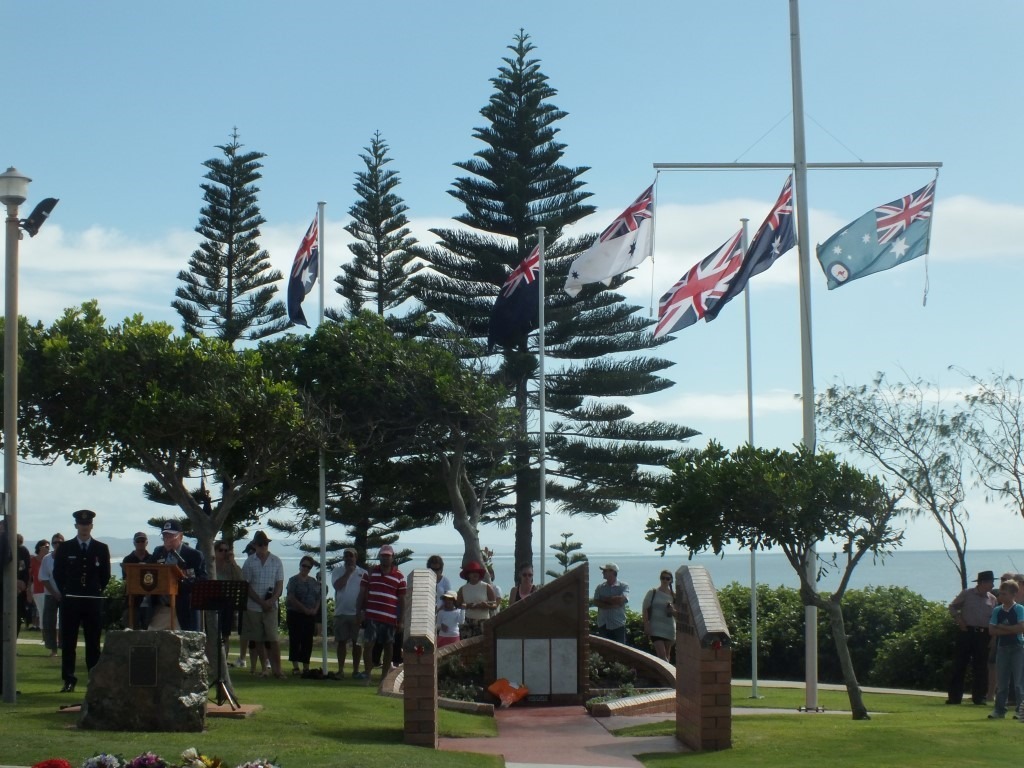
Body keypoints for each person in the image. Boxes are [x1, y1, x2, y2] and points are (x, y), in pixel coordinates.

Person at [52, 509, 111, 693]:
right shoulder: (66, 547)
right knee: (69, 642)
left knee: (93, 642)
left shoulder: (101, 548)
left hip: (92, 600)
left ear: (91, 526)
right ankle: (69, 679)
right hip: (71, 600)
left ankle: (93, 678)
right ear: (76, 525)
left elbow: (105, 575)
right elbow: (58, 573)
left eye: (87, 524)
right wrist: (67, 591)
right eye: (81, 524)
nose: (84, 527)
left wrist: (94, 589)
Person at [357, 544, 407, 684]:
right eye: (383, 555)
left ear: (392, 557)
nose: (385, 558)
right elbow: (362, 593)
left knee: (388, 647)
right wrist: (360, 611)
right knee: (368, 645)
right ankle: (367, 674)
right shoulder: (370, 573)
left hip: (389, 617)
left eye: (388, 556)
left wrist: (401, 620)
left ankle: (384, 677)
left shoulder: (399, 577)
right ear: (379, 556)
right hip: (372, 615)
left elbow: (402, 600)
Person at [947, 570, 997, 705]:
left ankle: (979, 697)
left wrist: (992, 637)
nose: (993, 585)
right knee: (960, 664)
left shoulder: (992, 599)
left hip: (983, 634)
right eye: (991, 582)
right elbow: (952, 607)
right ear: (983, 583)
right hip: (967, 632)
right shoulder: (967, 594)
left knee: (981, 666)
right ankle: (954, 697)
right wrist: (959, 619)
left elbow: (994, 620)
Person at [147, 520, 207, 631]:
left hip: (184, 609)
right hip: (162, 608)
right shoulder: (158, 552)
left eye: (171, 536)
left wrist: (181, 581)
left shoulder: (194, 555)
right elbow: (147, 571)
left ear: (181, 536)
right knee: (153, 641)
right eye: (165, 536)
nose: (167, 540)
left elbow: (202, 581)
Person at [241, 530, 285, 679]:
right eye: (260, 544)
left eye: (265, 543)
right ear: (255, 545)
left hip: (271, 606)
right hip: (254, 606)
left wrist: (271, 601)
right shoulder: (249, 562)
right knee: (258, 639)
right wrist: (260, 602)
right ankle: (264, 669)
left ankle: (277, 670)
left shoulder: (276, 561)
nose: (263, 546)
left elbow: (279, 584)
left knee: (273, 638)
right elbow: (246, 586)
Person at [987, 579, 1024, 719]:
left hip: (1018, 648)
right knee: (1002, 682)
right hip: (1002, 648)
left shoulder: (1019, 609)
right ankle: (999, 711)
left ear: (1013, 594)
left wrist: (1001, 627)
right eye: (1000, 593)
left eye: (1004, 594)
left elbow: (1021, 628)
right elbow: (991, 630)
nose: (1000, 597)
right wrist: (1011, 629)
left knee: (1019, 684)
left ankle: (1020, 712)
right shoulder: (997, 610)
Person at [331, 547, 367, 679]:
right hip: (341, 612)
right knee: (341, 642)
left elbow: (365, 594)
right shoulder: (337, 571)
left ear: (356, 557)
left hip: (356, 614)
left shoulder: (363, 573)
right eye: (346, 556)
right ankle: (340, 670)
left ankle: (356, 670)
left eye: (351, 556)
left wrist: (363, 611)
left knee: (357, 644)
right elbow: (337, 586)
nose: (348, 558)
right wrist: (347, 573)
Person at [285, 555, 321, 676]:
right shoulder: (293, 580)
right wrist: (304, 609)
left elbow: (318, 598)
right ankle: (295, 666)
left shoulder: (313, 582)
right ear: (300, 565)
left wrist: (315, 610)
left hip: (310, 615)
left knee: (307, 641)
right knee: (295, 640)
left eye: (308, 567)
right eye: (304, 566)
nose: (305, 568)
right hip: (295, 614)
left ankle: (306, 666)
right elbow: (291, 597)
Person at [212, 540, 244, 664]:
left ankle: (223, 662)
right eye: (221, 550)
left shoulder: (231, 567)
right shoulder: (211, 565)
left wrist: (233, 562)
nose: (224, 553)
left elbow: (241, 580)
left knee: (225, 634)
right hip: (212, 603)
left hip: (227, 604)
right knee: (212, 634)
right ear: (215, 551)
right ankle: (212, 661)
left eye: (226, 550)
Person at [642, 570, 678, 662]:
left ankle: (665, 676)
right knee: (662, 656)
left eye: (667, 578)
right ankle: (669, 675)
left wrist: (672, 610)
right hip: (656, 628)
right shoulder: (653, 592)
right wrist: (646, 625)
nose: (665, 580)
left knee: (667, 655)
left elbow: (679, 614)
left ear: (671, 580)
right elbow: (645, 609)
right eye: (663, 578)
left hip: (669, 628)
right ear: (660, 579)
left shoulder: (673, 596)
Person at [38, 532, 63, 658]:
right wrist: (54, 593)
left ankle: (64, 647)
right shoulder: (47, 559)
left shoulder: (68, 557)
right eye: (55, 542)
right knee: (49, 622)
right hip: (50, 594)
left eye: (60, 542)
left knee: (65, 623)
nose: (57, 544)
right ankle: (53, 649)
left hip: (65, 595)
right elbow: (43, 578)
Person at [457, 560, 497, 639]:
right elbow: (458, 605)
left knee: (483, 647)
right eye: (472, 572)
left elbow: (494, 605)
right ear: (468, 575)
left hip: (483, 621)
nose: (475, 574)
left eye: (477, 572)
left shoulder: (486, 587)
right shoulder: (463, 589)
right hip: (468, 622)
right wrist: (467, 606)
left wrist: (486, 605)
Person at [593, 562, 629, 644]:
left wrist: (604, 599)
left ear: (612, 572)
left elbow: (622, 599)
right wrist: (612, 604)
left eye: (605, 571)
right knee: (605, 652)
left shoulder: (623, 586)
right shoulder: (600, 587)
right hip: (603, 624)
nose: (602, 572)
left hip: (618, 625)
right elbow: (596, 602)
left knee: (620, 651)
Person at [120, 531, 151, 629]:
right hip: (132, 600)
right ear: (134, 543)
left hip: (149, 600)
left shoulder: (152, 559)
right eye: (138, 541)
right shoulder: (128, 559)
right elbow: (126, 579)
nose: (141, 543)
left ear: (147, 542)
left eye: (143, 540)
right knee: (131, 628)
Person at [15, 534, 32, 634]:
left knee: (16, 618)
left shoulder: (22, 551)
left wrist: (23, 585)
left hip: (19, 591)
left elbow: (25, 570)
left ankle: (12, 647)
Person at [30, 539, 48, 630]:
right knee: (42, 612)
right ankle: (44, 636)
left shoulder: (48, 559)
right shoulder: (33, 560)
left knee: (50, 613)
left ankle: (52, 636)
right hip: (38, 591)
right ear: (40, 548)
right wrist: (28, 592)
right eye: (46, 547)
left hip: (49, 590)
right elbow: (29, 577)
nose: (48, 549)